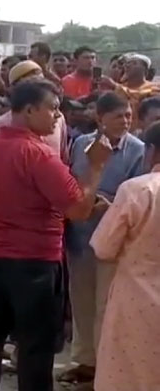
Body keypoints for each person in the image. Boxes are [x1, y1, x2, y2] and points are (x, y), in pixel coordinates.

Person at [0, 79, 113, 391]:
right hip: (35, 263)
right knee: (36, 346)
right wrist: (96, 167)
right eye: (53, 109)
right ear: (30, 110)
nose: (58, 117)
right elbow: (77, 209)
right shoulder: (39, 155)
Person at [59, 92, 145, 385]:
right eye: (118, 116)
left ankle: (105, 367)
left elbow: (136, 190)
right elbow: (72, 183)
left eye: (128, 116)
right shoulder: (82, 144)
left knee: (105, 306)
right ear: (100, 118)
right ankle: (84, 362)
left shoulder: (139, 150)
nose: (125, 121)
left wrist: (108, 204)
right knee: (81, 300)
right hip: (80, 235)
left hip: (114, 236)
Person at [90, 122, 160, 391]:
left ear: (151, 151)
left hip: (135, 300)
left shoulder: (137, 190)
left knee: (126, 373)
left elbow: (103, 247)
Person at [0, 60, 69, 162]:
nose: (39, 88)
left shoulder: (58, 119)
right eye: (32, 83)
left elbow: (63, 158)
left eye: (41, 81)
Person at [102, 54, 160, 134]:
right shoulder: (118, 89)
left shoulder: (155, 87)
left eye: (134, 63)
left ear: (145, 70)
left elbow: (139, 96)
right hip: (120, 133)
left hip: (146, 134)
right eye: (127, 63)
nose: (128, 66)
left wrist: (115, 86)